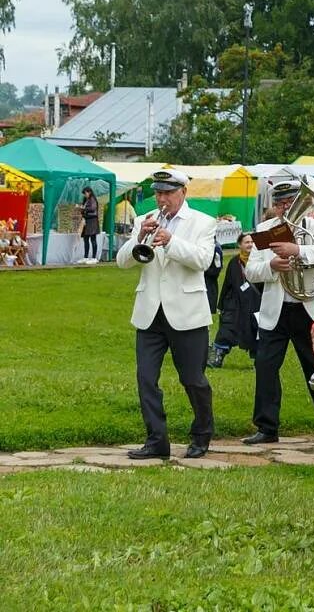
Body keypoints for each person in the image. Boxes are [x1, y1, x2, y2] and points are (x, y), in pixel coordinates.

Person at [117, 168, 217, 460]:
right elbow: (123, 262)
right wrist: (140, 237)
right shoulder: (142, 220)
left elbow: (202, 260)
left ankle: (201, 434)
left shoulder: (203, 222)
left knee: (193, 379)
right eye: (159, 193)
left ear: (183, 193)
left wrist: (171, 241)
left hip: (187, 312)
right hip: (150, 312)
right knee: (146, 378)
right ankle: (156, 440)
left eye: (168, 193)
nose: (162, 199)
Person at [241, 178, 314, 443]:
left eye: (290, 202)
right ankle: (266, 427)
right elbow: (251, 271)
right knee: (265, 367)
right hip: (276, 310)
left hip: (308, 309)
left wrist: (299, 251)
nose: (285, 208)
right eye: (280, 203)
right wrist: (271, 266)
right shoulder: (265, 229)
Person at [211, 233, 261, 368]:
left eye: (252, 242)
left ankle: (260, 362)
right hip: (235, 302)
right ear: (240, 245)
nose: (250, 244)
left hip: (255, 303)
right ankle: (216, 357)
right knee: (227, 330)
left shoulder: (259, 260)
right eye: (247, 242)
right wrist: (221, 304)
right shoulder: (234, 262)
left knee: (257, 332)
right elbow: (227, 283)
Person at [79, 185, 101, 263]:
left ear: (89, 192)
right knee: (86, 239)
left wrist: (82, 208)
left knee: (93, 239)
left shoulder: (93, 199)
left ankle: (94, 258)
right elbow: (85, 210)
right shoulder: (86, 200)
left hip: (92, 222)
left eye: (85, 193)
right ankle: (85, 257)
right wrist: (81, 209)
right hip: (87, 222)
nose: (85, 195)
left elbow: (93, 209)